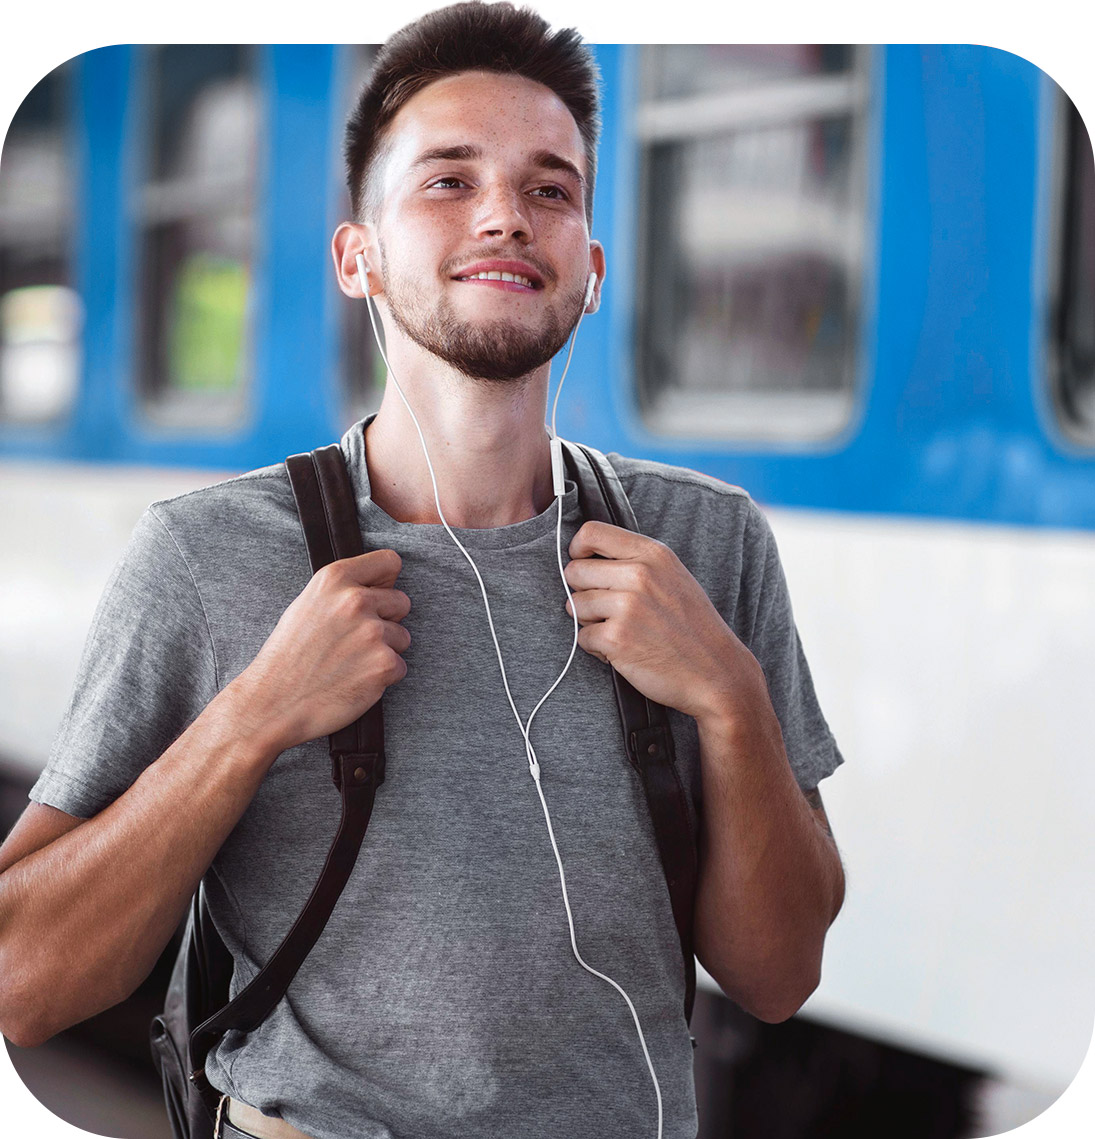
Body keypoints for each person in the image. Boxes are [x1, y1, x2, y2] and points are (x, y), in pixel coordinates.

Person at [0, 5, 845, 1138]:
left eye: (549, 189)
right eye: (448, 181)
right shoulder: (205, 556)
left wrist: (732, 697)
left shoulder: (708, 544)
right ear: (360, 258)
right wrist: (252, 717)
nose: (506, 213)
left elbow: (780, 974)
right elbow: (23, 976)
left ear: (588, 271)